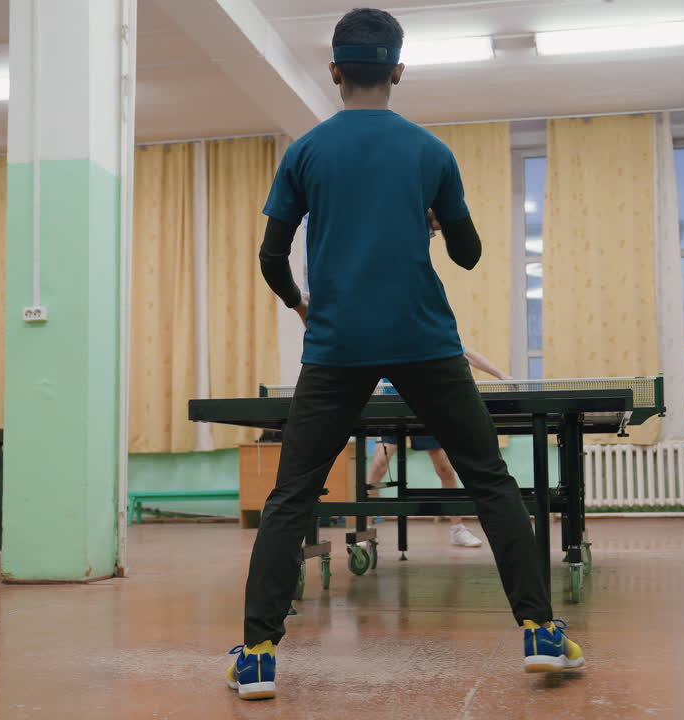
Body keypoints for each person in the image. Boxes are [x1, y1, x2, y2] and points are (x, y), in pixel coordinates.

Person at [225, 8, 584, 701]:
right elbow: (471, 255)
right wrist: (432, 221)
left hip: (336, 347)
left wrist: (304, 307)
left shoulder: (304, 153)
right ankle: (540, 631)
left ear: (334, 73)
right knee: (490, 482)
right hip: (425, 340)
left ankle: (260, 653)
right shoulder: (430, 153)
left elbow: (272, 258)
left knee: (292, 496)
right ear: (398, 71)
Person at [366, 346, 512, 548]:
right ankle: (364, 529)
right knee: (379, 465)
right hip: (392, 403)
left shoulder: (429, 330)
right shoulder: (386, 334)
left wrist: (501, 375)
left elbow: (467, 354)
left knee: (445, 467)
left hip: (426, 404)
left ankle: (457, 529)